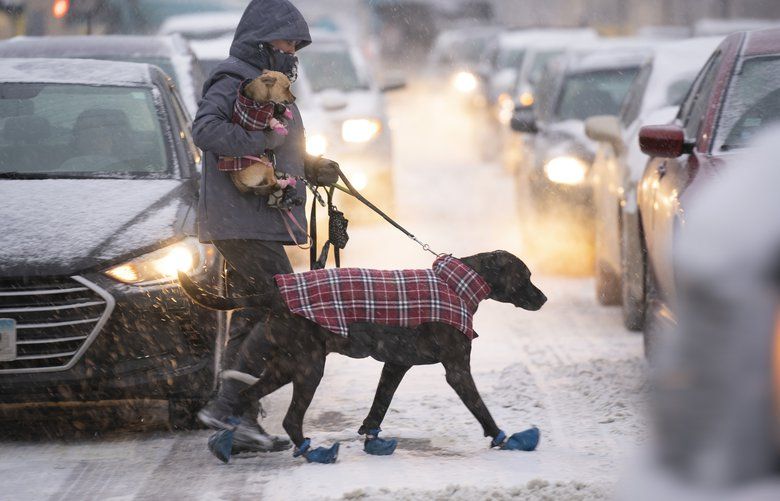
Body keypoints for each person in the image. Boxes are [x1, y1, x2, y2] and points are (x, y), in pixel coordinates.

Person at [191, 0, 339, 453]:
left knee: (255, 312)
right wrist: (263, 139)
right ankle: (229, 404)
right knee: (284, 307)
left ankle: (238, 421)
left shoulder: (274, 81)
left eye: (297, 42)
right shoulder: (235, 77)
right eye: (287, 39)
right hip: (242, 221)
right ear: (263, 39)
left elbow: (278, 149)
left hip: (254, 219)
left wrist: (311, 166)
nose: (293, 48)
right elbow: (206, 130)